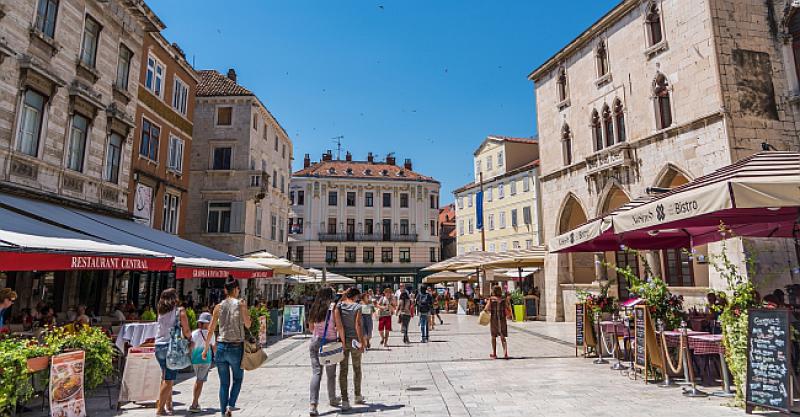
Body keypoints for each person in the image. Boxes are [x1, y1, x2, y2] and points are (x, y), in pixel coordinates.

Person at [203, 277, 251, 417]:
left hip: (221, 347)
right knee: (238, 379)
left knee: (224, 383)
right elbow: (247, 324)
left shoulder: (218, 307)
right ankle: (230, 406)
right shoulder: (241, 303)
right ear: (236, 289)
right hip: (236, 347)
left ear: (225, 290)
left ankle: (223, 413)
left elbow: (211, 329)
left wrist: (206, 349)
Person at [307, 288, 345, 416]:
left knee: (316, 373)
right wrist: (343, 342)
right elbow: (339, 326)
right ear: (330, 296)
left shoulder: (315, 307)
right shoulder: (333, 308)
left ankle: (313, 405)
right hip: (330, 343)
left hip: (315, 342)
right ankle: (332, 398)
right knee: (331, 374)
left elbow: (311, 327)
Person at [154, 288, 191, 416]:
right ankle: (160, 410)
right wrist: (190, 340)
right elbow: (186, 331)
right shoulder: (180, 311)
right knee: (169, 379)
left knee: (165, 376)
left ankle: (168, 405)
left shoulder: (161, 312)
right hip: (171, 347)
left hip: (158, 346)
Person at [337, 287, 365, 410]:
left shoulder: (340, 306)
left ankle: (344, 400)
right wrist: (361, 341)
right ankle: (357, 395)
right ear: (355, 296)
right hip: (354, 340)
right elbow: (357, 324)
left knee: (343, 370)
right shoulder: (357, 307)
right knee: (357, 368)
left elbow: (338, 324)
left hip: (342, 340)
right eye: (358, 297)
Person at [188, 312, 215, 413]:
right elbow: (214, 347)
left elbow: (191, 347)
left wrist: (190, 356)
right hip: (205, 360)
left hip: (195, 360)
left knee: (198, 380)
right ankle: (194, 404)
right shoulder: (211, 334)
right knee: (199, 381)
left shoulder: (194, 333)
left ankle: (196, 403)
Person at [484, 285, 509, 359]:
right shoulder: (503, 299)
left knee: (493, 336)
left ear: (493, 291)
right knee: (503, 336)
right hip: (502, 319)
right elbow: (507, 307)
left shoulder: (491, 299)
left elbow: (486, 309)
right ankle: (505, 353)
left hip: (494, 319)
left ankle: (494, 353)